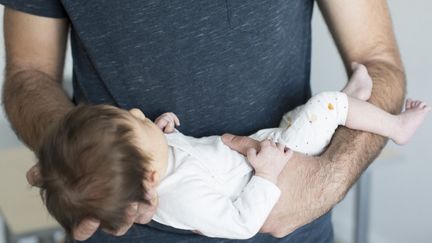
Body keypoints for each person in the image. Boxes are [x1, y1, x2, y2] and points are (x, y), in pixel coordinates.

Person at [1, 1, 407, 242]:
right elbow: (28, 75)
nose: (138, 114)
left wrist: (325, 182)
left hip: (291, 222)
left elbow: (378, 60)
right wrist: (75, 158)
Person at [36, 64, 429, 240]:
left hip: (267, 138)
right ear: (150, 180)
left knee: (306, 113)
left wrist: (163, 132)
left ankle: (351, 102)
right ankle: (396, 127)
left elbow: (177, 155)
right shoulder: (186, 198)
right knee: (326, 106)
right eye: (137, 123)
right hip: (278, 159)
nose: (139, 112)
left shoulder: (152, 168)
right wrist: (267, 175)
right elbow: (242, 224)